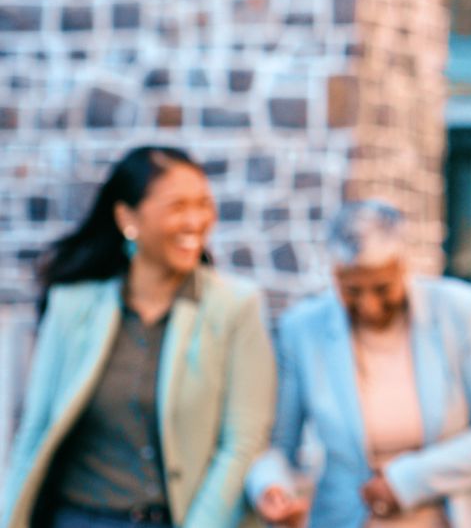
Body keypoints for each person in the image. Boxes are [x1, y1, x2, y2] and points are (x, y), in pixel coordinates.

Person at [0, 145, 275, 528]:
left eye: (203, 204)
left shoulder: (236, 308)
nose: (195, 221)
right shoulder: (71, 304)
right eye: (177, 206)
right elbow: (36, 428)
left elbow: (242, 442)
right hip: (76, 519)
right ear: (127, 217)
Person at [245, 200, 471, 528]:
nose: (368, 306)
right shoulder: (302, 330)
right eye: (352, 291)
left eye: (382, 288)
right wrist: (271, 487)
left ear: (402, 266)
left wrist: (406, 479)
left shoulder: (461, 313)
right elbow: (278, 446)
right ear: (334, 274)